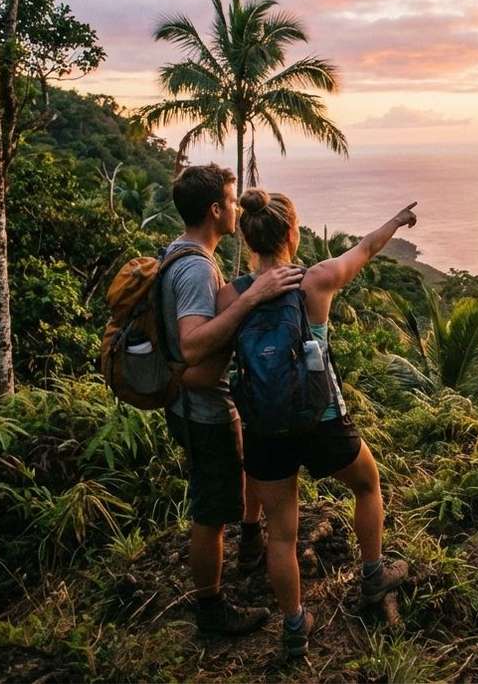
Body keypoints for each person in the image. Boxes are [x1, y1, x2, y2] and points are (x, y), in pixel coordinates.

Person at [216, 189, 416, 658]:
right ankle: (373, 575)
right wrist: (397, 219)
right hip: (322, 419)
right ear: (292, 233)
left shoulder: (232, 294)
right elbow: (365, 249)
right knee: (367, 484)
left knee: (282, 533)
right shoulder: (316, 281)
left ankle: (293, 627)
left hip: (264, 428)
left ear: (247, 237)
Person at [161, 164, 304, 635]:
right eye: (230, 199)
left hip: (197, 402)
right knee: (209, 512)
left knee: (223, 495)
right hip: (201, 412)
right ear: (214, 211)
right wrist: (251, 297)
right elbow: (192, 345)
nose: (237, 207)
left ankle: (245, 550)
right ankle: (211, 611)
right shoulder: (198, 269)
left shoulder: (181, 252)